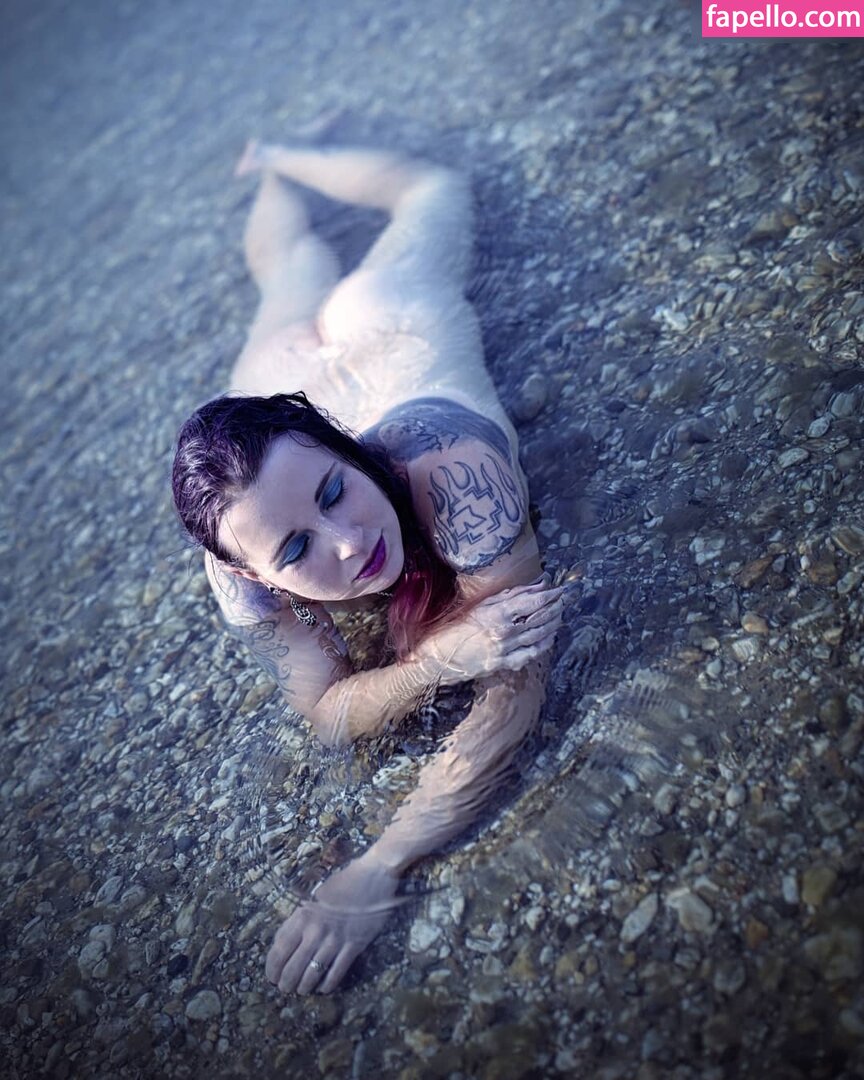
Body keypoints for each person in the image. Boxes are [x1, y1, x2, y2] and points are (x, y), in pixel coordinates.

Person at [171, 141, 564, 995]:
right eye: (297, 550)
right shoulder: (237, 570)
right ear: (260, 580)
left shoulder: (456, 471)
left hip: (390, 320)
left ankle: (286, 148)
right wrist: (434, 663)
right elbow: (326, 717)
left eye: (335, 490)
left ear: (348, 447)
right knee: (287, 268)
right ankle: (264, 163)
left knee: (433, 187)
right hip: (279, 367)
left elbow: (518, 682)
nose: (349, 543)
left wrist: (384, 861)